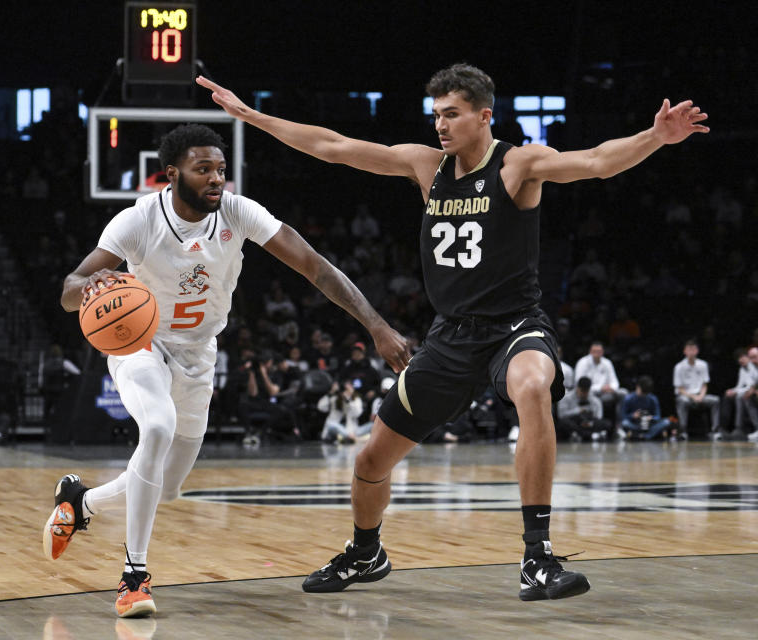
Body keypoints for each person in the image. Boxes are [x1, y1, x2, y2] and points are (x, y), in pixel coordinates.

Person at [200, 62, 707, 600]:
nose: (440, 125)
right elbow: (333, 145)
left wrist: (656, 136)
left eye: (451, 114)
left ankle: (537, 556)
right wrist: (250, 115)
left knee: (533, 386)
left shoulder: (518, 164)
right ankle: (366, 551)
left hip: (513, 325)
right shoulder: (426, 166)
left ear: (484, 115)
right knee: (371, 462)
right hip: (449, 337)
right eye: (435, 115)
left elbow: (598, 162)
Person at [43, 124, 409, 618]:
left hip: (199, 352)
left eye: (220, 169)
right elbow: (70, 288)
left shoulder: (238, 212)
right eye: (203, 169)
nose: (216, 178)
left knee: (166, 487)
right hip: (140, 344)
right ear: (172, 175)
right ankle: (134, 577)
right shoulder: (137, 220)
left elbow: (315, 267)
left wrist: (376, 325)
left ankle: (80, 502)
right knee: (156, 428)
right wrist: (93, 282)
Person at [672, 339, 720, 440]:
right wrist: (693, 397)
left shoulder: (703, 365)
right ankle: (683, 431)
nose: (691, 352)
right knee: (682, 401)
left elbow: (704, 384)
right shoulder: (679, 367)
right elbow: (679, 388)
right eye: (689, 350)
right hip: (686, 396)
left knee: (715, 400)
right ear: (684, 351)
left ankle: (715, 431)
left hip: (700, 395)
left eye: (693, 349)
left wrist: (701, 396)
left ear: (697, 351)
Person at [574, 342, 625, 430]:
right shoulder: (582, 363)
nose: (597, 353)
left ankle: (619, 426)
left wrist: (611, 388)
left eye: (599, 351)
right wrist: (600, 388)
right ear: (590, 351)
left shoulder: (607, 363)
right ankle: (598, 427)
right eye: (594, 351)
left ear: (602, 352)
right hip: (589, 393)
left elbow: (615, 382)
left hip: (606, 393)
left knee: (623, 393)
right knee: (596, 399)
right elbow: (580, 383)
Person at [556, 377, 609, 441]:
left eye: (586, 391)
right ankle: (592, 435)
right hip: (574, 422)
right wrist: (578, 410)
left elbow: (598, 417)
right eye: (582, 391)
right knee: (563, 423)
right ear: (577, 388)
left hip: (589, 423)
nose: (584, 394)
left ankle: (579, 434)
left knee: (607, 424)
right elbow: (561, 415)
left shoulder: (595, 400)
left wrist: (589, 423)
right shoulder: (566, 398)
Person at [620, 376, 671, 440]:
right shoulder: (628, 398)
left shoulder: (653, 399)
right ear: (637, 387)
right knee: (625, 423)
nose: (643, 395)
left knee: (666, 422)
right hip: (635, 425)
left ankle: (644, 436)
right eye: (642, 393)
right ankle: (643, 435)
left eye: (645, 394)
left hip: (649, 425)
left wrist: (651, 418)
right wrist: (633, 416)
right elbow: (623, 416)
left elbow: (658, 416)